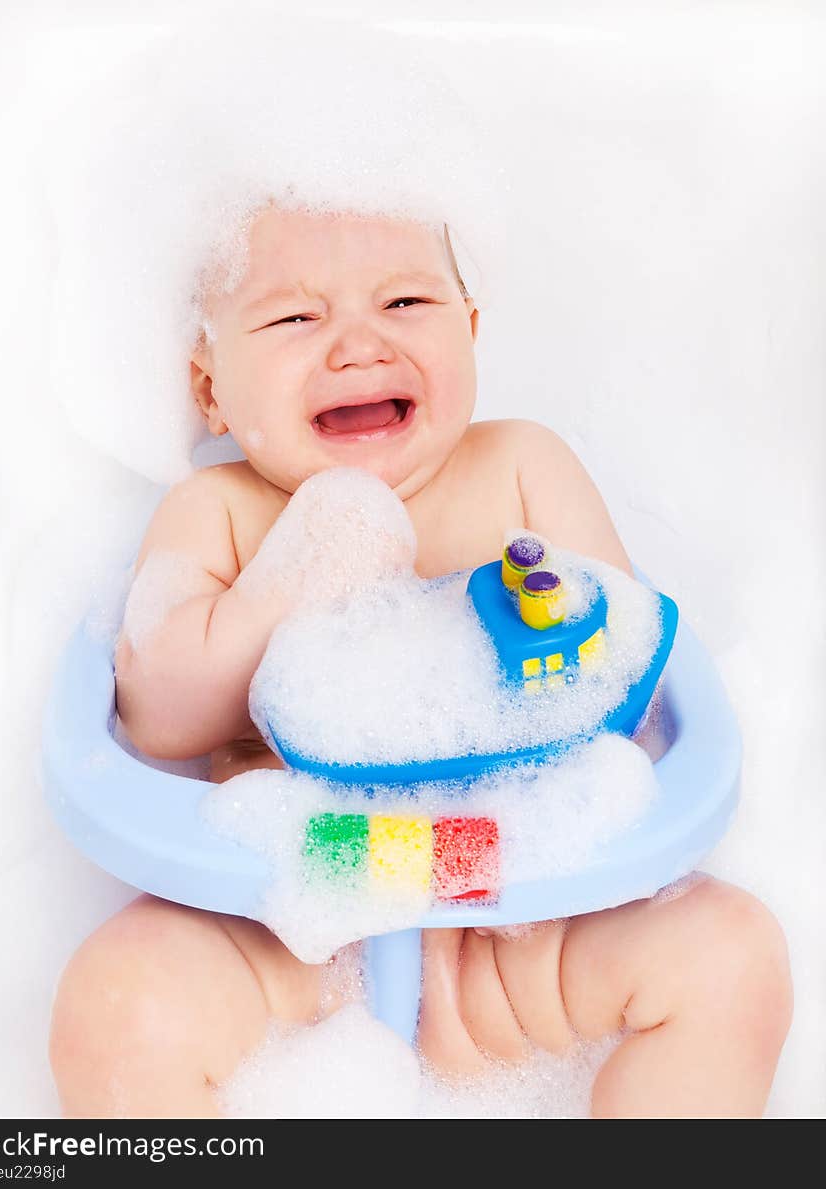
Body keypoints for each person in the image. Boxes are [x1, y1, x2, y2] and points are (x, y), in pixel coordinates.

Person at [49, 200, 792, 1118]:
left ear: (470, 331)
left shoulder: (523, 465)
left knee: (731, 953)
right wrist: (289, 584)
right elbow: (157, 711)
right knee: (119, 1002)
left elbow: (621, 680)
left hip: (522, 921)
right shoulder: (223, 512)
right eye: (295, 317)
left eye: (405, 303)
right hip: (299, 925)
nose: (360, 345)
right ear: (210, 390)